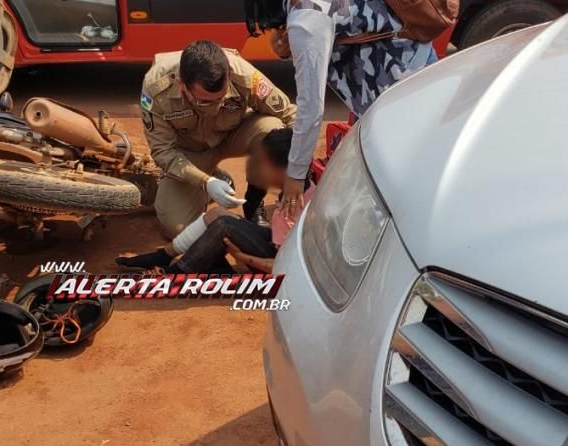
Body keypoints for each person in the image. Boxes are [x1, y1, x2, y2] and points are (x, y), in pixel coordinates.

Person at [245, 0, 437, 222]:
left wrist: (295, 175)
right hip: (412, 65)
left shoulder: (305, 19)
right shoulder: (306, 12)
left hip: (402, 88)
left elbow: (311, 109)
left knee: (401, 183)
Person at [141, 39, 297, 237]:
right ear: (182, 86)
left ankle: (254, 204)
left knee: (274, 131)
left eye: (221, 99)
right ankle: (215, 179)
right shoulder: (156, 87)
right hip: (190, 153)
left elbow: (290, 115)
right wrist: (206, 181)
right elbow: (163, 151)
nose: (215, 108)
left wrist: (295, 173)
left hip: (233, 135)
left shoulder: (243, 74)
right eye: (204, 102)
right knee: (176, 228)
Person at [116, 128, 315, 274]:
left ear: (283, 170)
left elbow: (284, 268)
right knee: (217, 214)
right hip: (280, 249)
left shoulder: (293, 207)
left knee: (224, 225)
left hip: (279, 266)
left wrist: (242, 257)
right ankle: (165, 256)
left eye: (264, 163)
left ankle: (176, 272)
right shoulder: (303, 188)